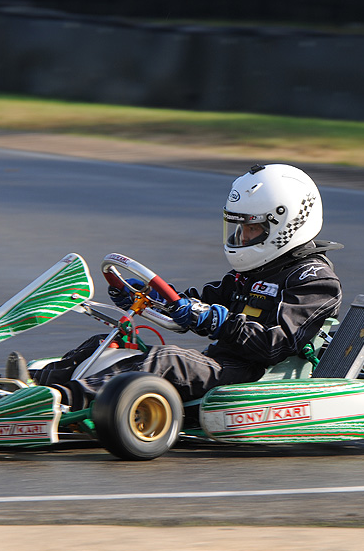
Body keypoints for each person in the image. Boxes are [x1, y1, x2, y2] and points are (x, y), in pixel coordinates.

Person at [30, 163, 342, 412]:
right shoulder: (258, 270)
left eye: (252, 228)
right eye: (240, 227)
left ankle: (62, 401)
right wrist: (151, 299)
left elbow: (276, 344)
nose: (243, 237)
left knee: (165, 360)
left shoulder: (314, 280)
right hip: (223, 363)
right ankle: (29, 388)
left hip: (255, 376)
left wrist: (219, 321)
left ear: (286, 224)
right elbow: (196, 304)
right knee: (108, 343)